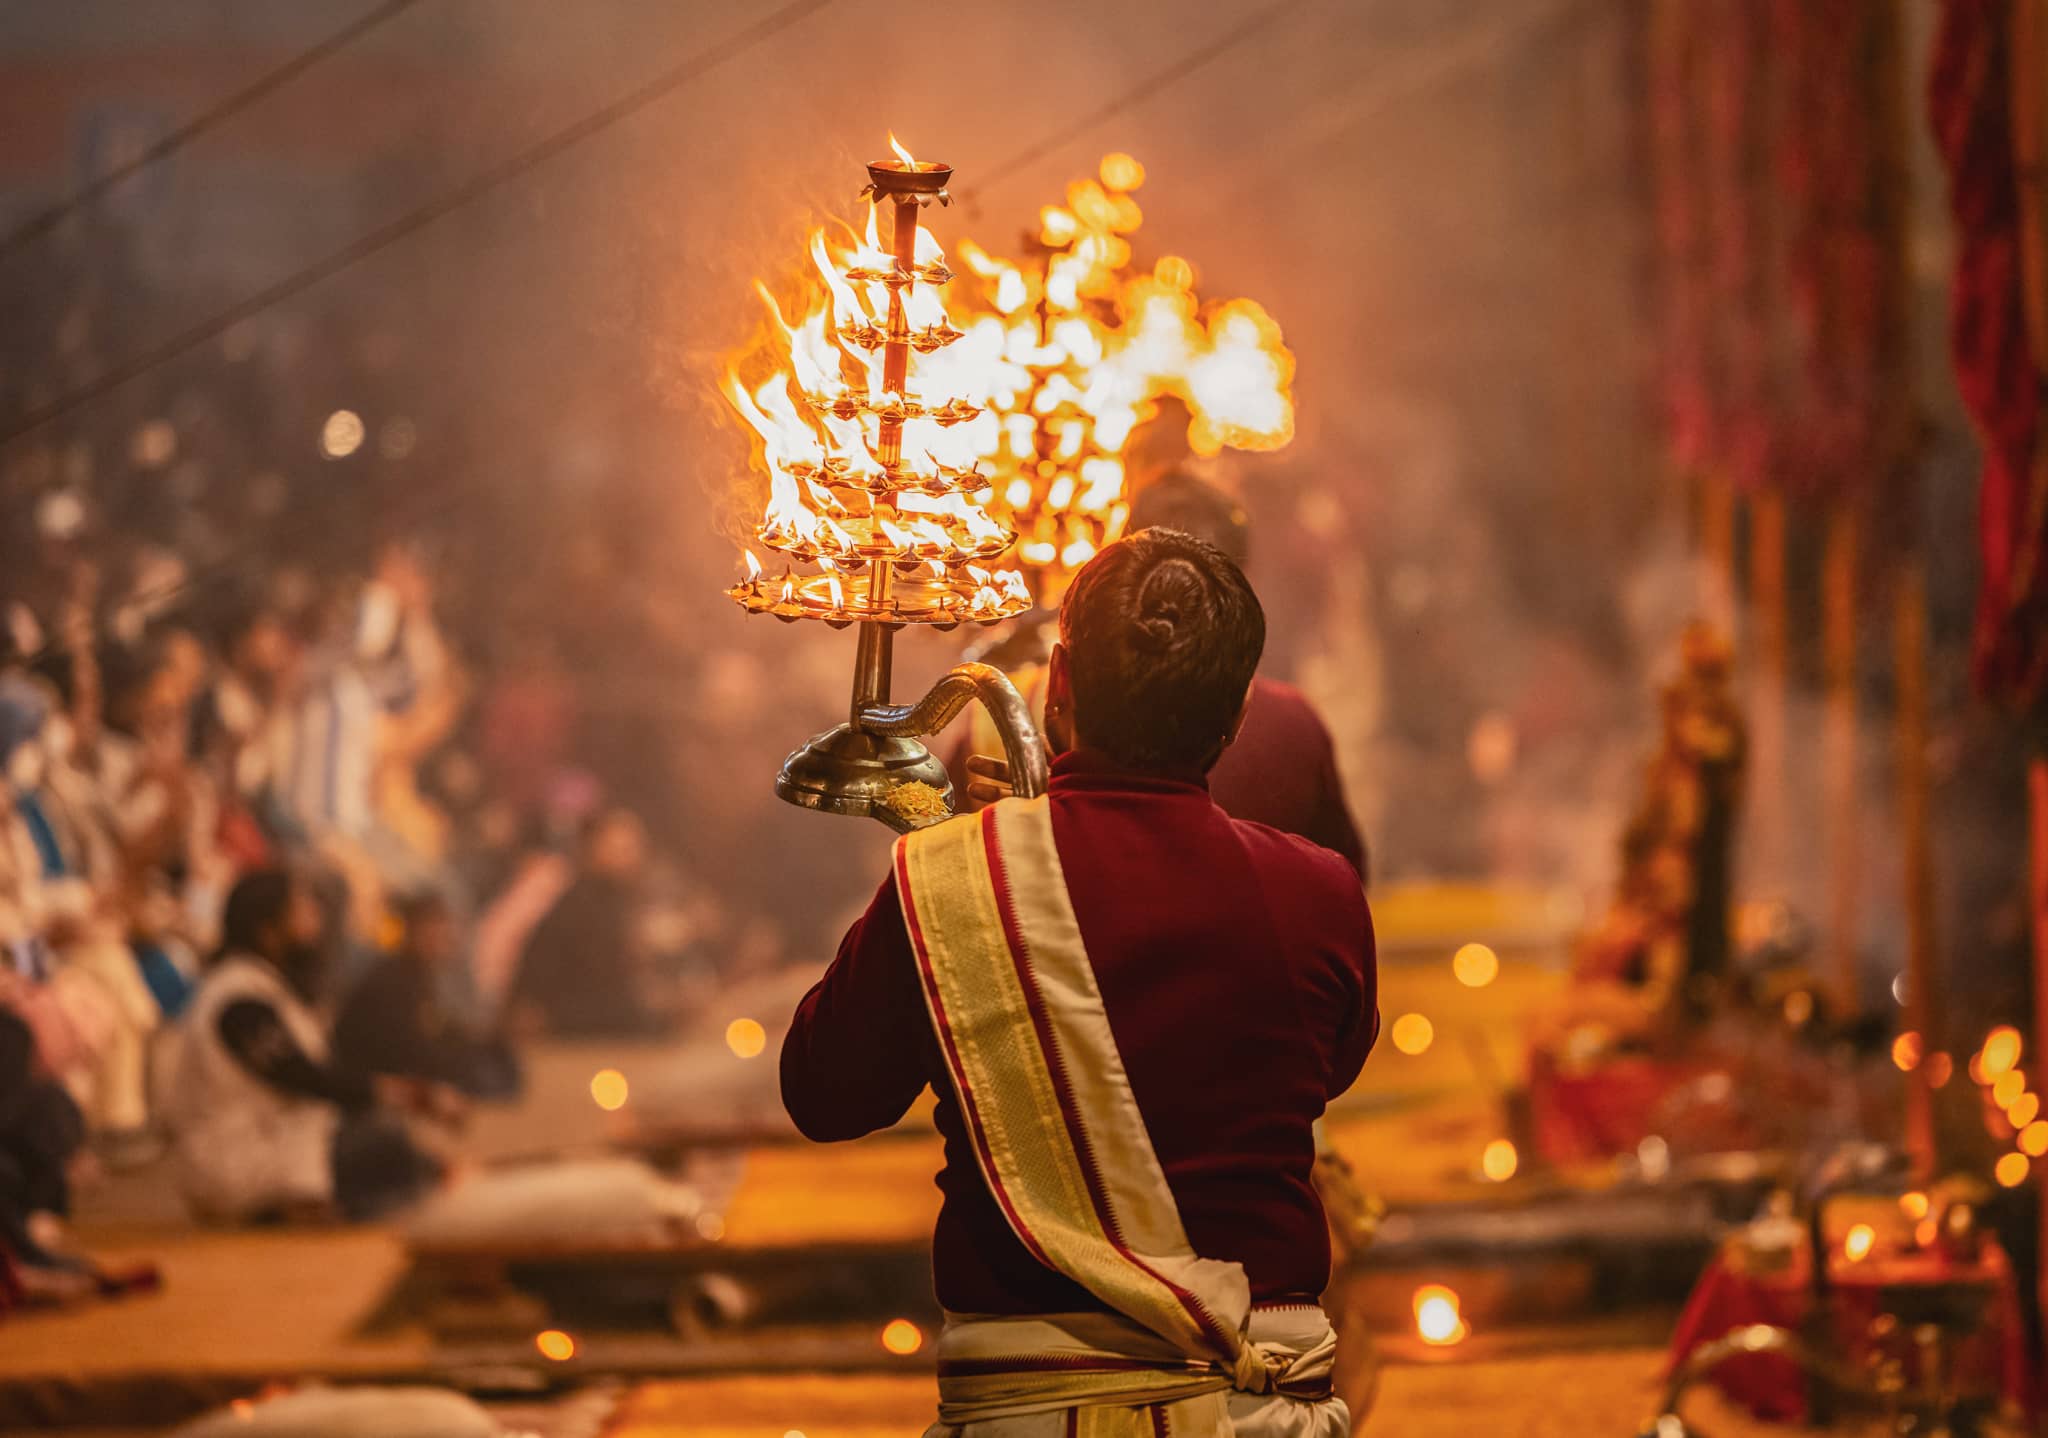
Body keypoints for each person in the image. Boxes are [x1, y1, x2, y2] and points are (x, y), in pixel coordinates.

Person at [783, 529, 1377, 1436]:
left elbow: (823, 1094)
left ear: (1056, 686)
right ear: (1231, 719)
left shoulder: (953, 880)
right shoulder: (1321, 894)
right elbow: (1326, 1070)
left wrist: (966, 874)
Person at [958, 471, 1368, 882]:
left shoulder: (1001, 728)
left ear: (1059, 679)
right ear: (1238, 709)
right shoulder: (1294, 731)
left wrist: (1053, 822)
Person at [160, 868, 452, 1223]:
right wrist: (406, 1093)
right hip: (236, 1162)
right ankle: (294, 1207)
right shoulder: (237, 998)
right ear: (268, 931)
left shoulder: (266, 987)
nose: (315, 919)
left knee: (386, 1139)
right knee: (384, 1139)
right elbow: (304, 1077)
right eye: (302, 911)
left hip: (278, 1143)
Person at [334, 891, 520, 1100]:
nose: (445, 934)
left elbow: (434, 1029)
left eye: (446, 926)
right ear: (413, 929)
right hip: (365, 1083)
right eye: (435, 926)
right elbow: (405, 1048)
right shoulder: (394, 978)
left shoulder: (418, 974)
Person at [508, 809, 664, 1037]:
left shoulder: (610, 901)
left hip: (582, 1017)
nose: (632, 858)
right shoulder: (582, 907)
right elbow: (603, 990)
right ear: (594, 849)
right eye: (621, 849)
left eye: (635, 849)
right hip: (570, 1026)